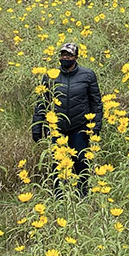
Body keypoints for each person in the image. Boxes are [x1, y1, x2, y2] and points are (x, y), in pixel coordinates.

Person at [31, 43, 103, 195]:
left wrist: (95, 126)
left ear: (76, 57)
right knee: (56, 164)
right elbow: (41, 103)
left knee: (81, 162)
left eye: (69, 55)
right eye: (63, 55)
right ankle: (59, 196)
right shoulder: (50, 76)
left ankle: (83, 195)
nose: (65, 58)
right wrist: (36, 126)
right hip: (56, 127)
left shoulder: (88, 75)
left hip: (80, 126)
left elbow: (96, 102)